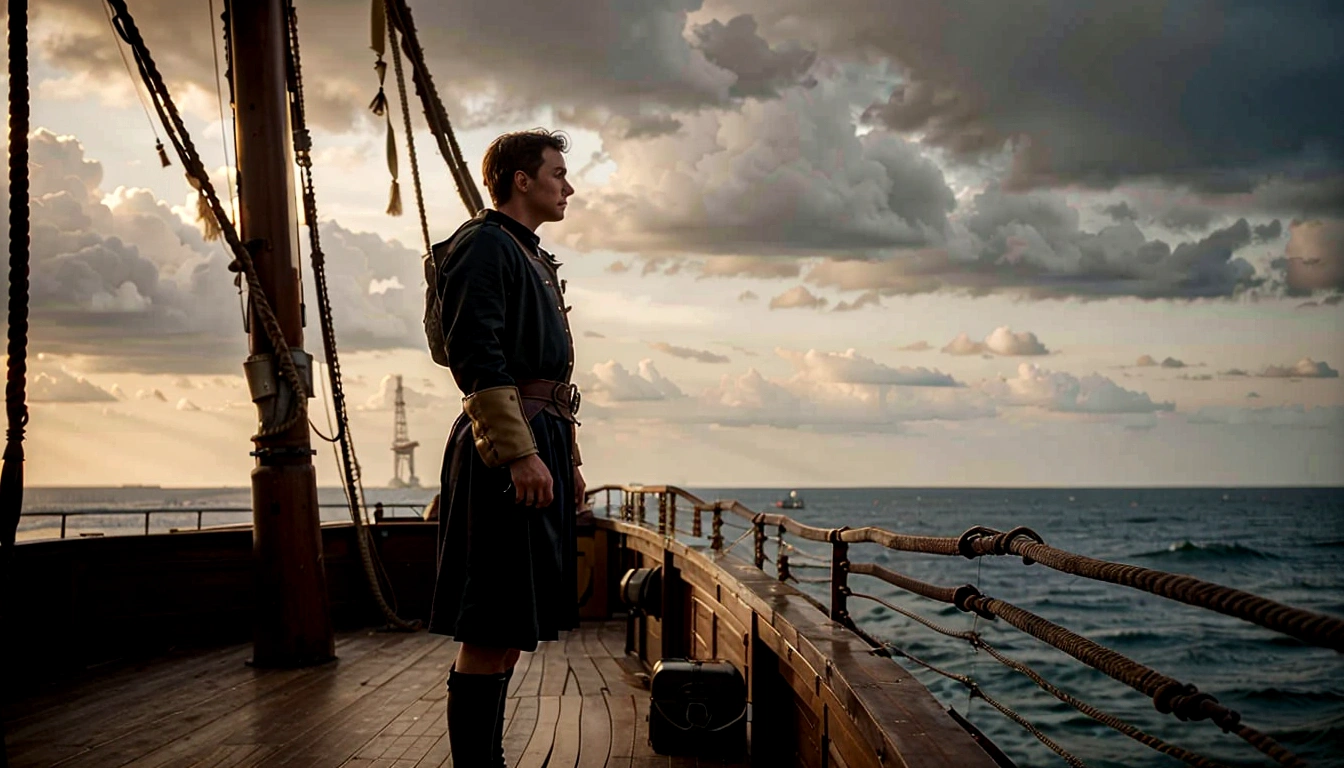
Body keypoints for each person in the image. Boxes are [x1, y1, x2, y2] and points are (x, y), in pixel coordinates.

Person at [425, 128, 584, 767]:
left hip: (538, 436)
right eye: (557, 173)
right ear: (522, 180)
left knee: (511, 625)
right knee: (490, 624)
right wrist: (519, 453)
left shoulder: (528, 255)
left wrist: (566, 461)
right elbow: (475, 353)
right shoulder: (485, 246)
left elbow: (552, 381)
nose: (568, 187)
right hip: (503, 448)